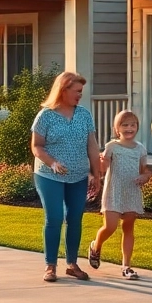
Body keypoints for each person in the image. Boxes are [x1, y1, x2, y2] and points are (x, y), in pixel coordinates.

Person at [30, 71, 101, 283]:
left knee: (75, 218)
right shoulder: (46, 115)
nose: (80, 95)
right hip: (49, 175)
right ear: (64, 89)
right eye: (77, 91)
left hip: (78, 176)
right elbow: (36, 146)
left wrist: (96, 175)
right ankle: (50, 265)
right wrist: (52, 162)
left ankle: (72, 264)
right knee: (54, 218)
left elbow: (92, 145)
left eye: (81, 91)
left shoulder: (84, 115)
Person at [88, 110, 149, 280]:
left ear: (137, 127)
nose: (129, 128)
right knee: (110, 226)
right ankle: (96, 246)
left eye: (133, 124)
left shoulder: (141, 149)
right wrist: (100, 161)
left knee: (128, 228)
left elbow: (144, 171)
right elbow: (103, 168)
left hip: (131, 192)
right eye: (125, 125)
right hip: (114, 191)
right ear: (117, 129)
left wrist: (144, 177)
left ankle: (127, 266)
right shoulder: (112, 146)